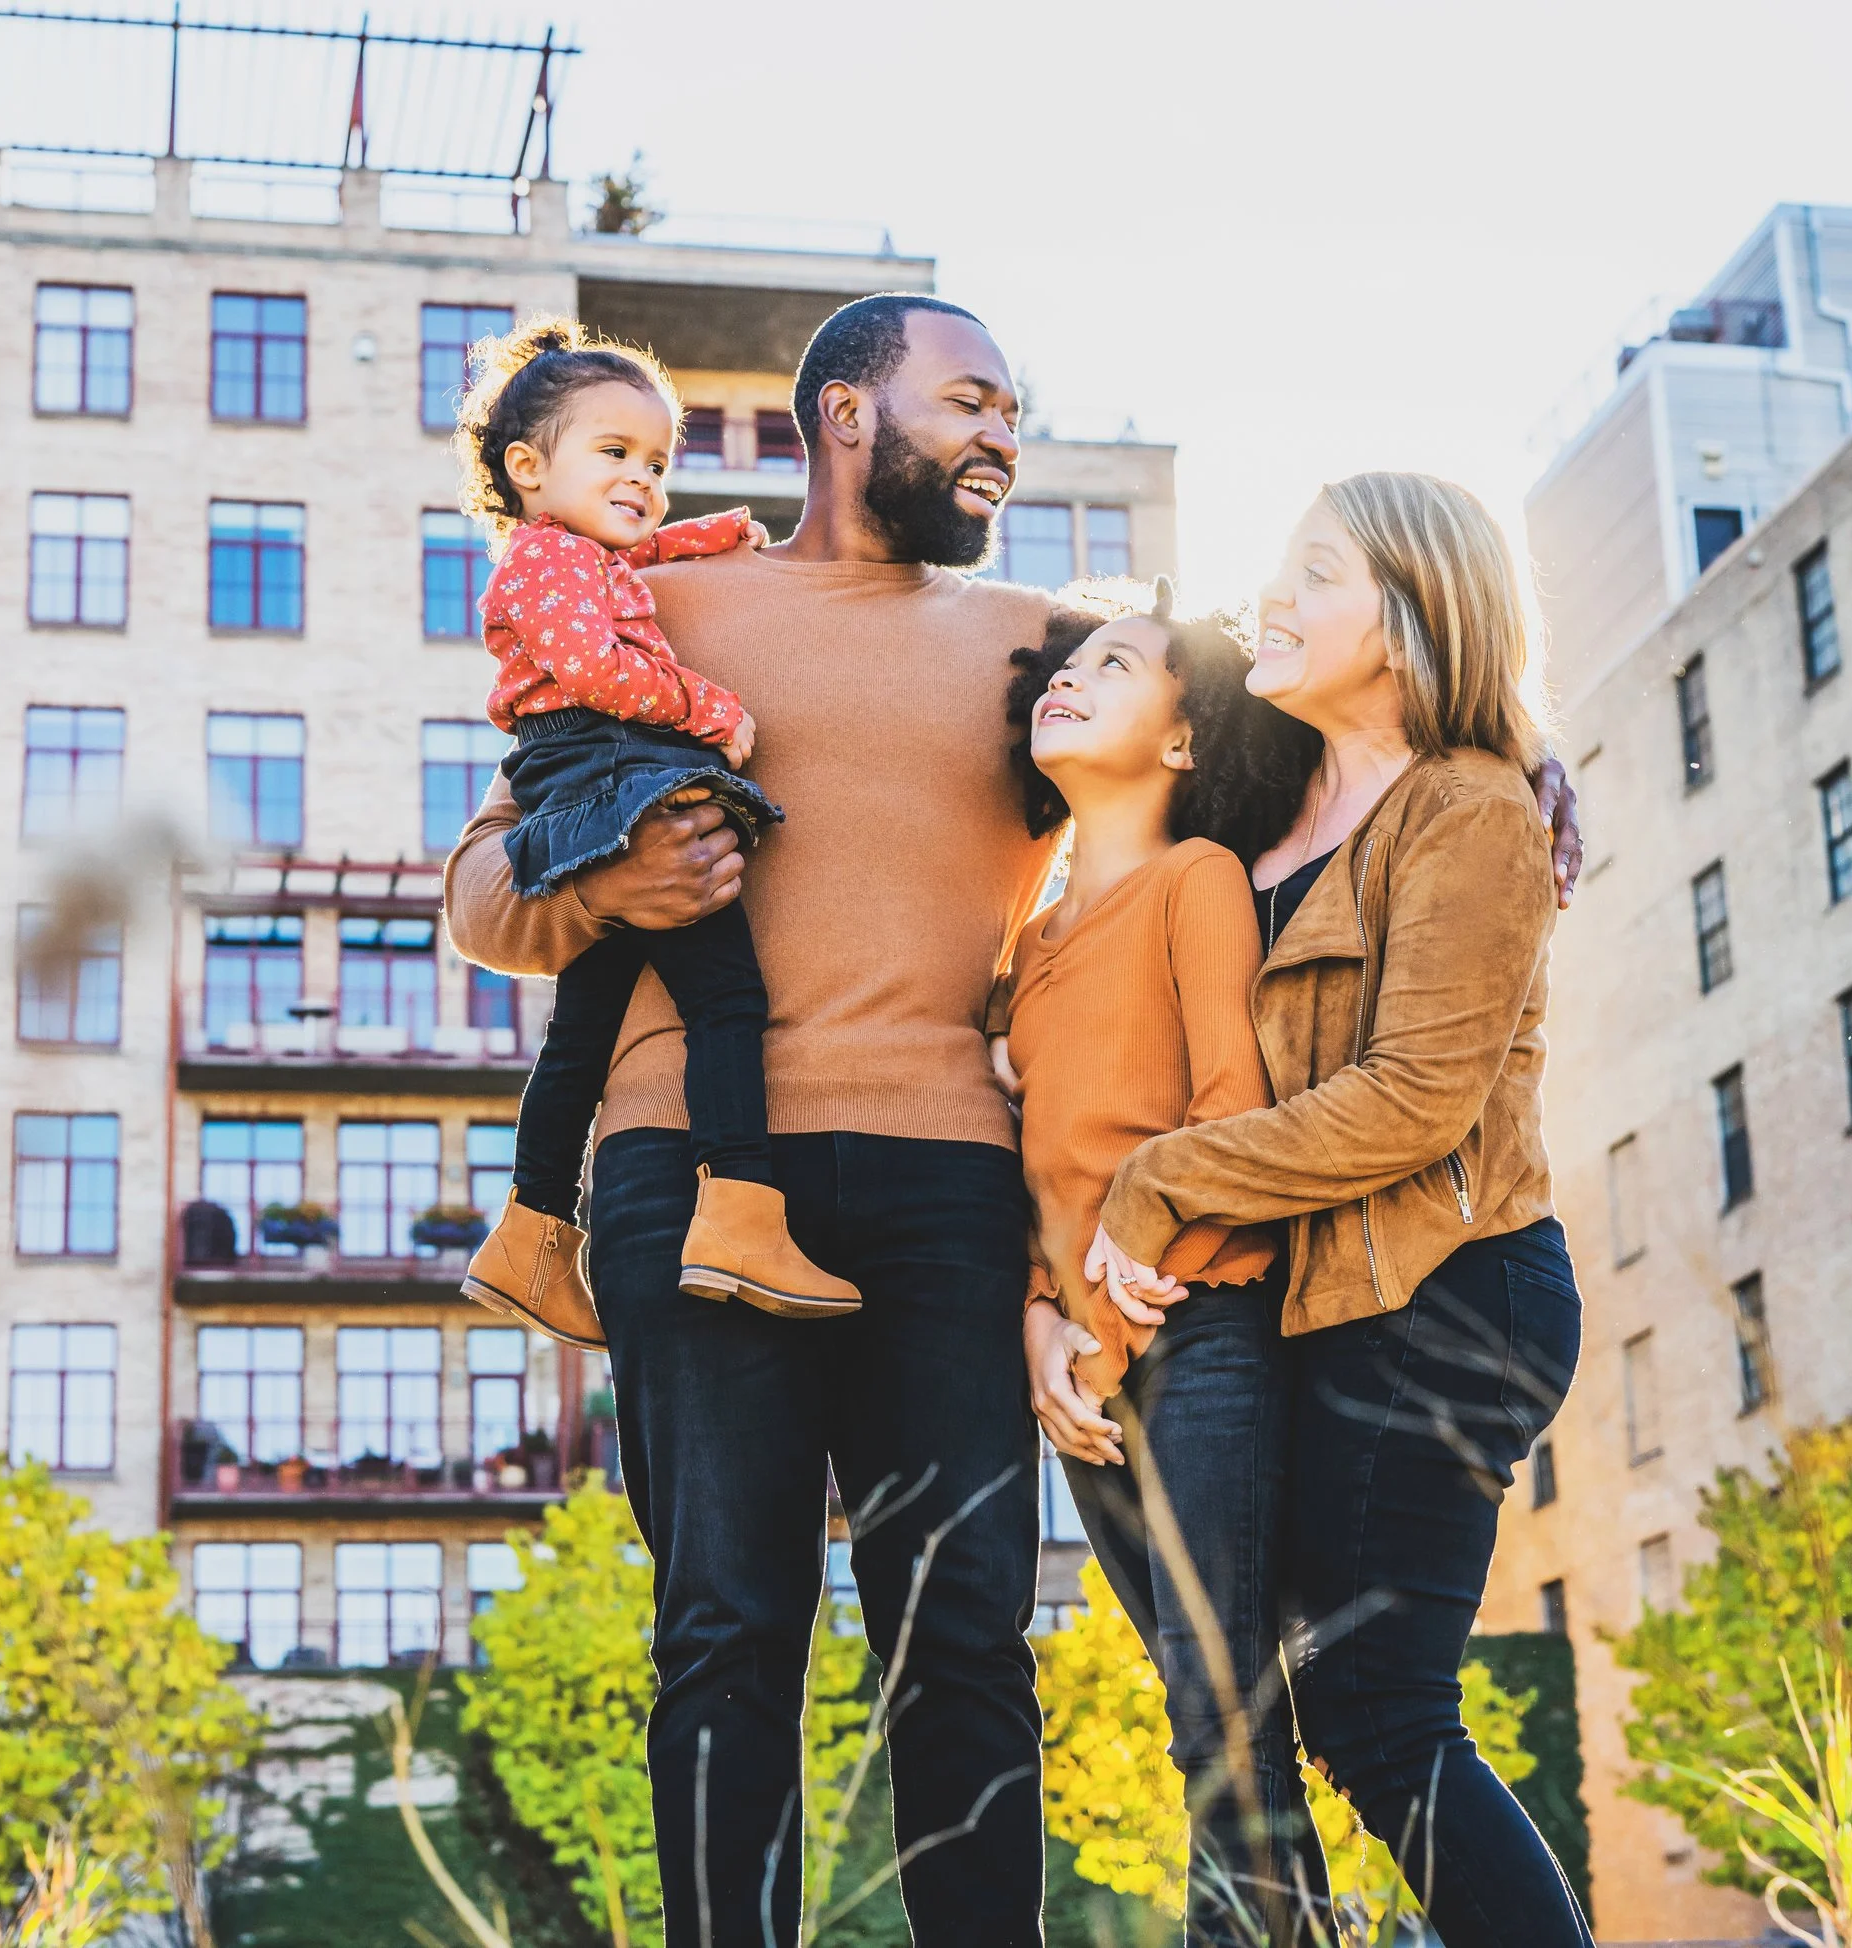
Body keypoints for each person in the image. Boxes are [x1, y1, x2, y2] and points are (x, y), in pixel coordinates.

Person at [446, 290, 1587, 1947]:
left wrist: (1514, 751)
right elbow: (483, 882)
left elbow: (1320, 731)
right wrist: (605, 876)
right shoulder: (659, 603)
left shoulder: (1041, 647)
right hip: (688, 1175)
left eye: (1014, 408)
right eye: (969, 399)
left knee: (970, 1630)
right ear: (847, 413)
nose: (1001, 434)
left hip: (954, 1194)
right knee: (724, 1625)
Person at [1075, 474, 1595, 1947]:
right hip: (1300, 1305)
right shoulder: (1259, 806)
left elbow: (1413, 1102)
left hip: (1449, 1289)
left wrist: (1159, 1181)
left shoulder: (1471, 809)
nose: (1274, 602)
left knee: (1377, 1712)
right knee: (1245, 1705)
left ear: (1416, 611)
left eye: (1316, 574)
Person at [995, 585, 1330, 1944]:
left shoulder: (1197, 883)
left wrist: (1105, 1335)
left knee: (1219, 1696)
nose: (1068, 681)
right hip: (1081, 1373)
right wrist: (1036, 1324)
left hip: (1199, 1333)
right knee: (1194, 1696)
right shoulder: (1030, 945)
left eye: (1115, 667)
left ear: (1186, 743)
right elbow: (1031, 1178)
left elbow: (1229, 1113)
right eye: (1066, 667)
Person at [450, 318, 861, 1347]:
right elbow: (592, 668)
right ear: (528, 467)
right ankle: (737, 1210)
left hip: (591, 771)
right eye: (616, 454)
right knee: (725, 998)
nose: (644, 478)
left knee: (583, 1029)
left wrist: (713, 534)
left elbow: (637, 555)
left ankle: (533, 1230)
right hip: (605, 761)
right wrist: (703, 707)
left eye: (657, 463)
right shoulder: (542, 564)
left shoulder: (574, 550)